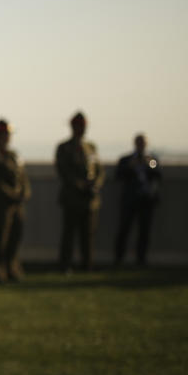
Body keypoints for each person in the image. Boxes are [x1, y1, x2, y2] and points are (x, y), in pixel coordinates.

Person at [55, 111, 105, 272]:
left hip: (90, 200)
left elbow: (99, 169)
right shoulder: (64, 147)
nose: (81, 129)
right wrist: (80, 185)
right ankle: (65, 265)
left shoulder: (91, 147)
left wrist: (95, 184)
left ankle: (87, 265)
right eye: (78, 126)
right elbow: (64, 170)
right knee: (69, 234)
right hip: (72, 198)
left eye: (83, 126)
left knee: (88, 235)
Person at [0, 120, 31, 283]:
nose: (6, 138)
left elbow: (23, 177)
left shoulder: (14, 156)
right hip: (0, 206)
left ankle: (12, 269)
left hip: (16, 205)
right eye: (3, 135)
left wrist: (24, 192)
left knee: (14, 238)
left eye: (7, 135)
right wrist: (13, 195)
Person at [113, 134, 161, 266]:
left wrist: (148, 164)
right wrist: (130, 166)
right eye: (139, 143)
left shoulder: (151, 159)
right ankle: (119, 258)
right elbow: (119, 175)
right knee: (124, 229)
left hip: (146, 199)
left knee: (144, 231)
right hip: (130, 199)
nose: (141, 145)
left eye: (143, 143)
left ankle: (141, 259)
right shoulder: (127, 159)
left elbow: (157, 172)